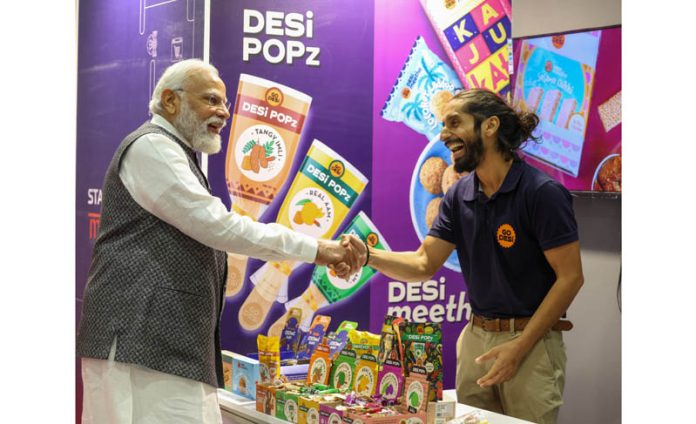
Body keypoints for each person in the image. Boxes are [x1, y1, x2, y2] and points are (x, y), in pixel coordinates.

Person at [76, 59, 362, 424]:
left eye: (225, 102)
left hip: (160, 345)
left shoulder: (173, 151)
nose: (225, 112)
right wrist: (316, 248)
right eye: (211, 100)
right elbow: (219, 227)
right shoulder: (153, 147)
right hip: (139, 343)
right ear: (170, 101)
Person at [344, 88, 584, 423]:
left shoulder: (541, 193)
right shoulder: (459, 194)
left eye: (455, 122)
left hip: (532, 342)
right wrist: (369, 256)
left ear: (490, 127)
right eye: (444, 124)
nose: (444, 134)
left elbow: (571, 277)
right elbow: (423, 262)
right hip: (475, 339)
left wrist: (519, 347)